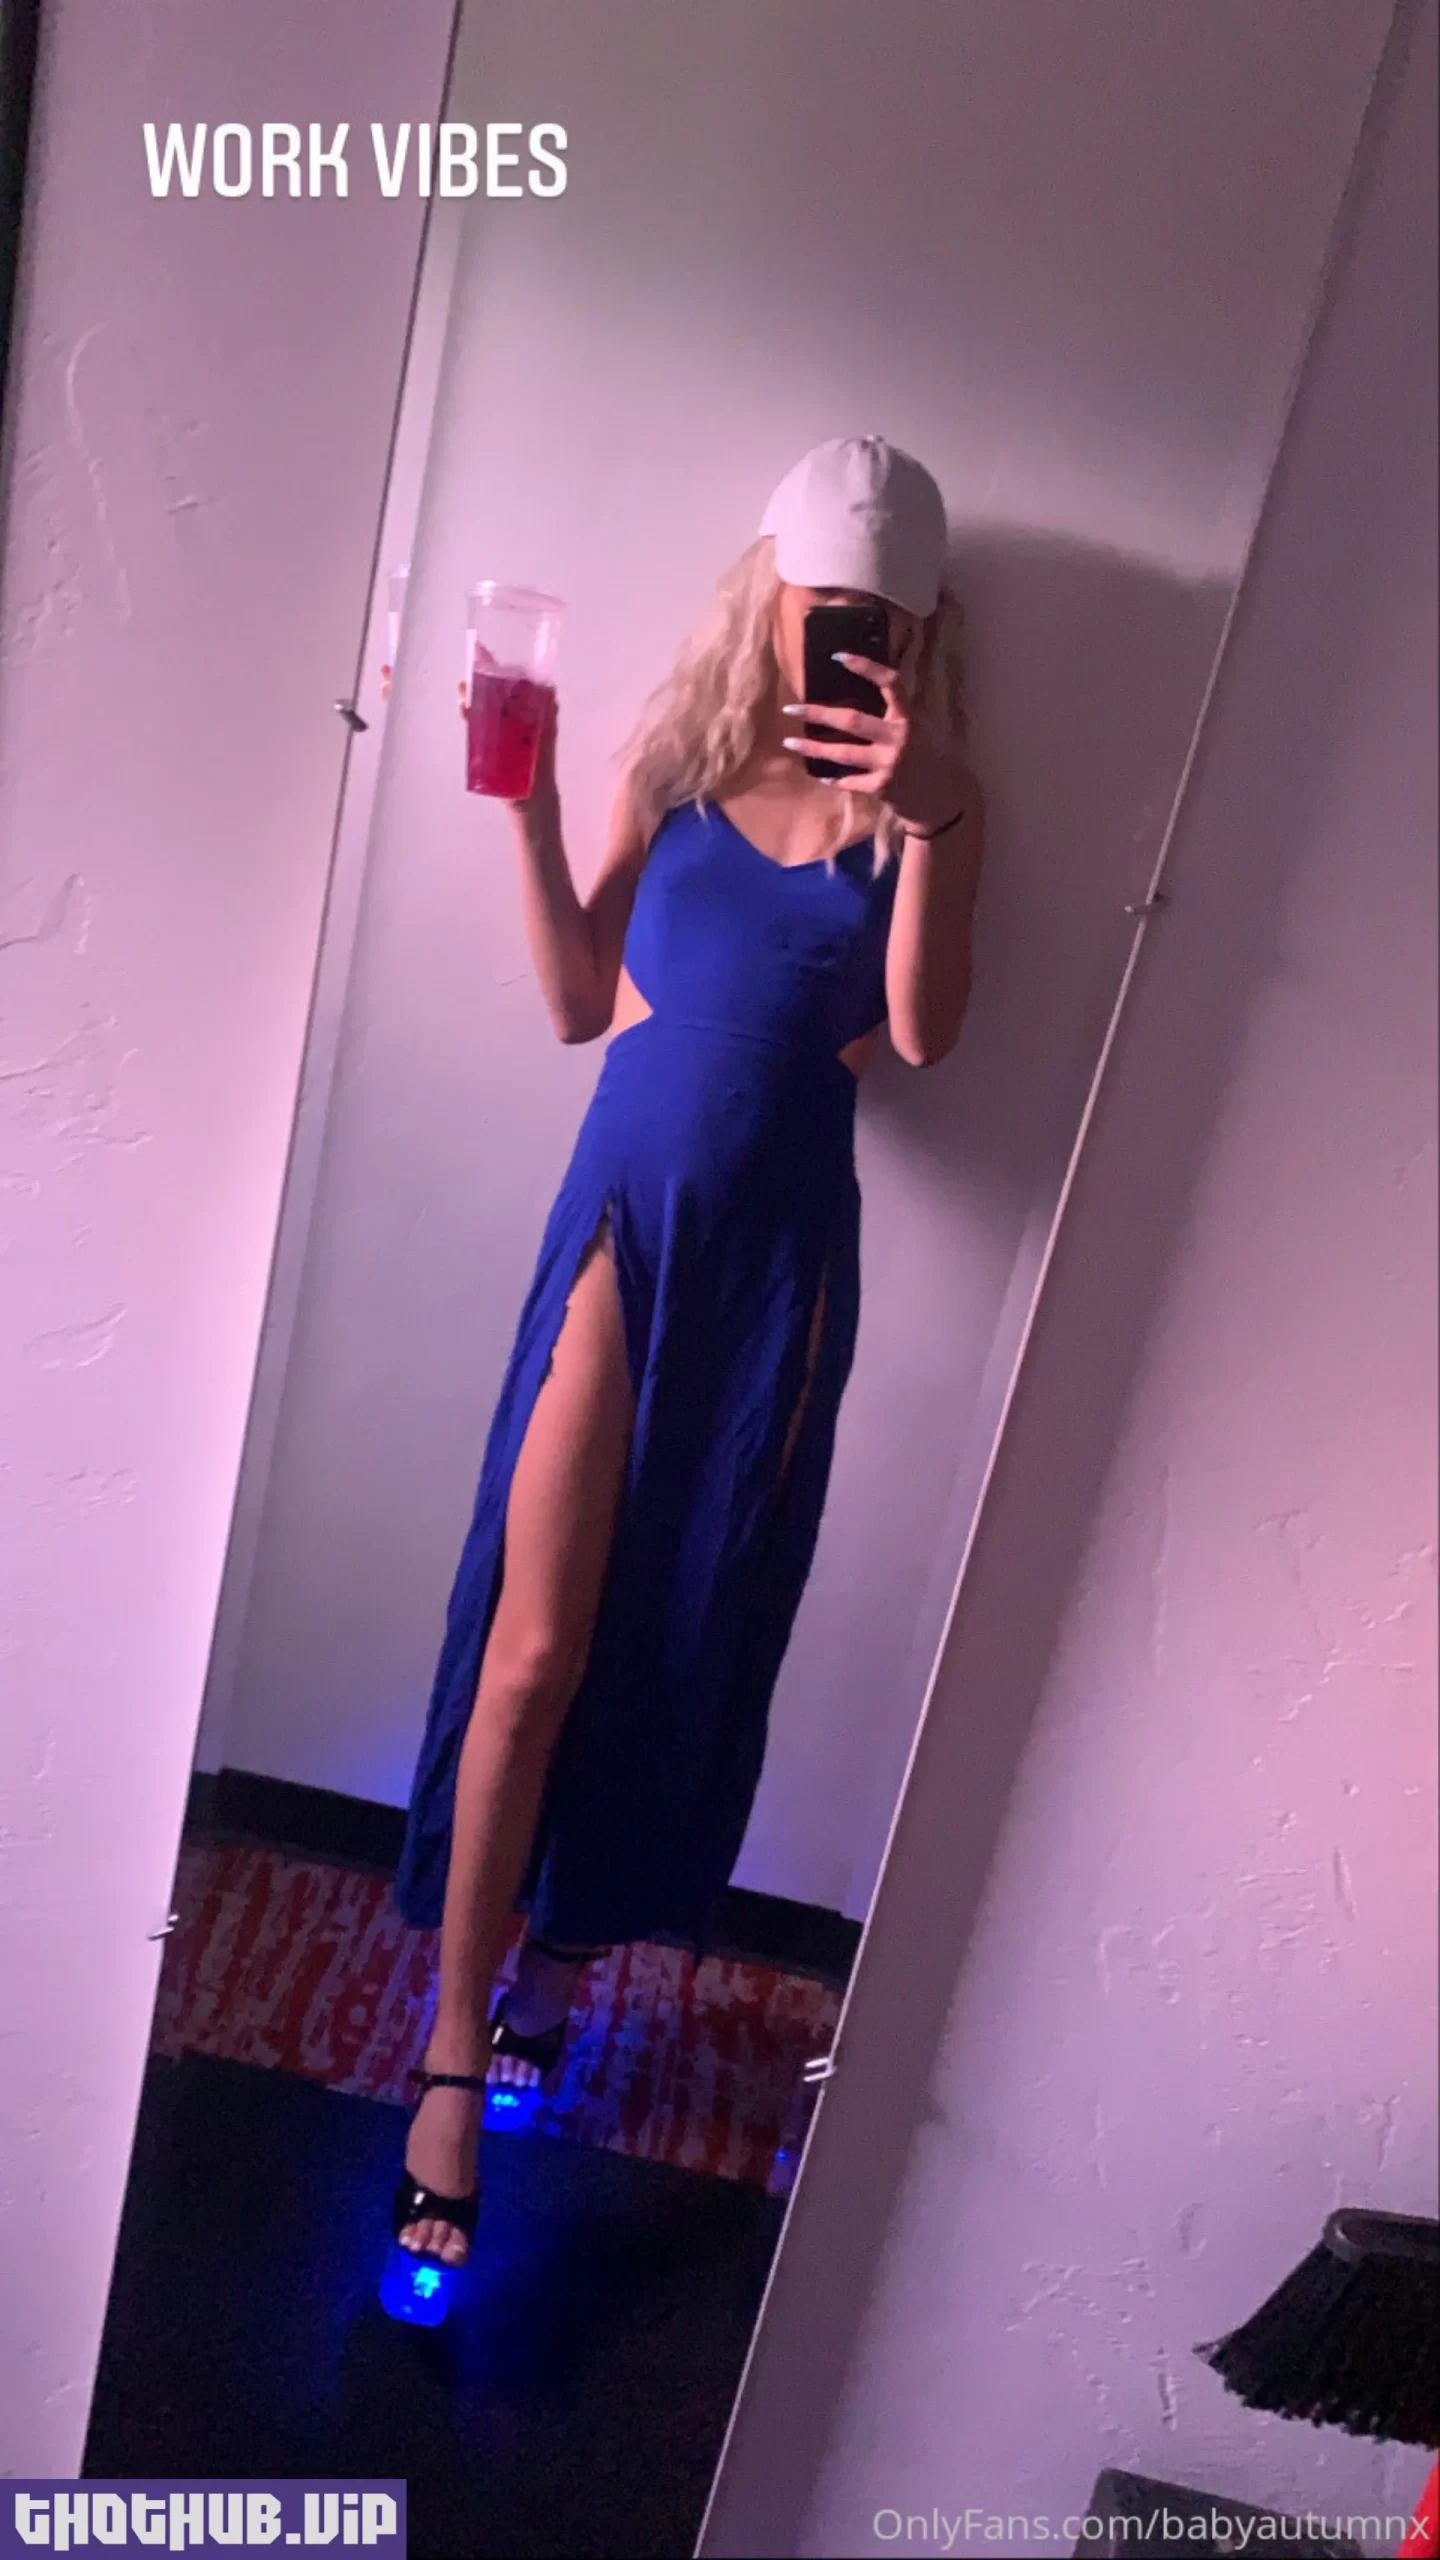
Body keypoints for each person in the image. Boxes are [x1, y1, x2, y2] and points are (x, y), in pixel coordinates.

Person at [390, 436, 985, 2266]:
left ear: (920, 627)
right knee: (533, 1651)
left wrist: (938, 817)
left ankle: (556, 1971)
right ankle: (449, 2052)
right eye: (823, 607)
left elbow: (925, 1037)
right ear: (770, 592)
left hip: (780, 1263)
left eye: (881, 619)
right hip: (623, 1227)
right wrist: (526, 801)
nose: (846, 639)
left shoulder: (927, 810)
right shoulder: (675, 766)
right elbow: (584, 1005)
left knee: (681, 1627)